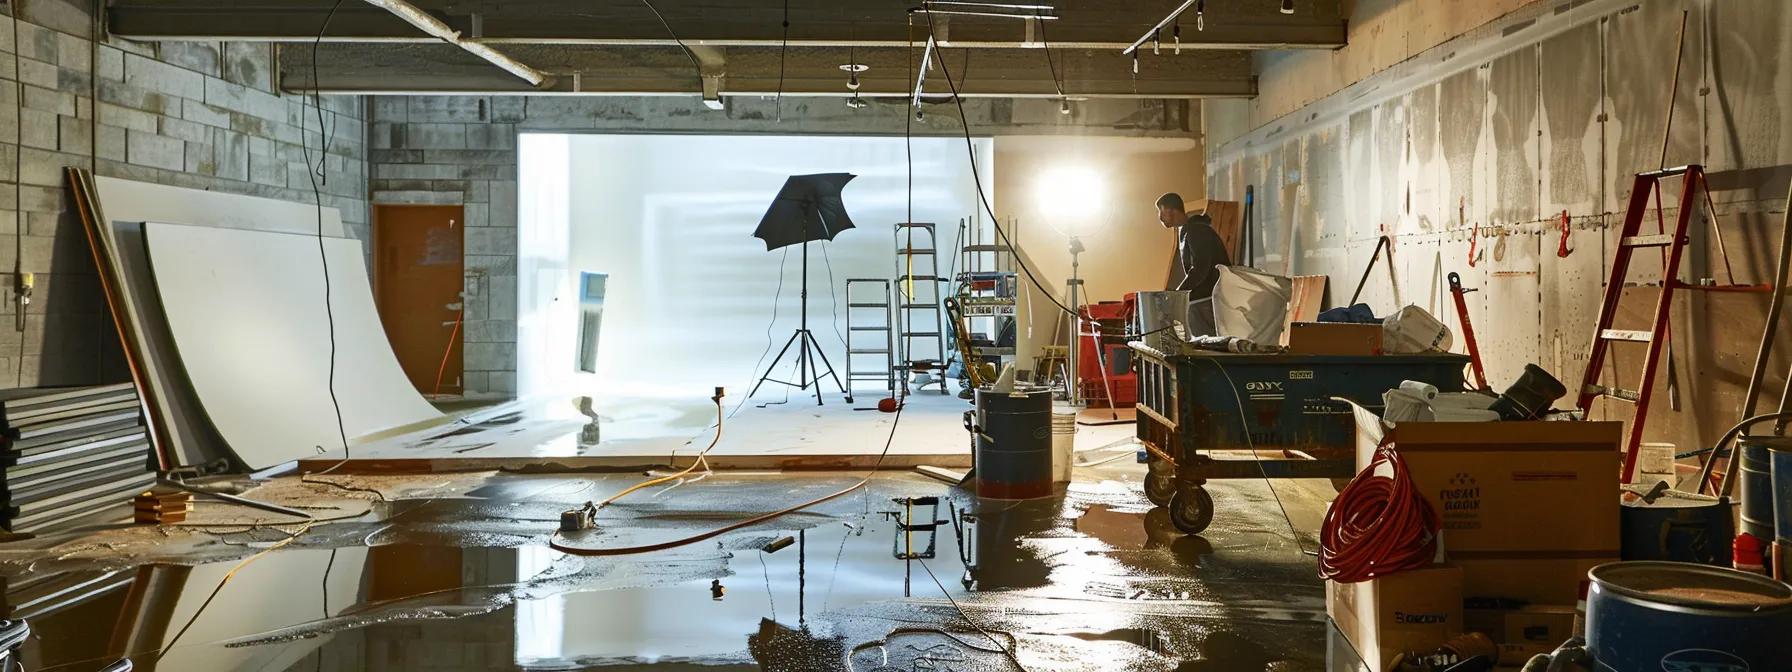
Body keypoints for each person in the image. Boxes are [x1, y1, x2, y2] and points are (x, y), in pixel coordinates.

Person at [1157, 192, 1230, 336]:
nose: (1159, 217)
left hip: (1207, 299)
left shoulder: (1197, 230)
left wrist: (1180, 294)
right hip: (1202, 299)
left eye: (1161, 211)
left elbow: (1200, 268)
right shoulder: (1187, 230)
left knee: (1207, 345)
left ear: (1172, 210)